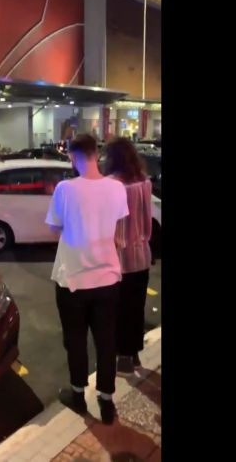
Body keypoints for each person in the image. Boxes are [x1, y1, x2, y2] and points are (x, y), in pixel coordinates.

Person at [45, 133, 128, 425]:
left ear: (72, 156)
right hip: (108, 276)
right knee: (107, 340)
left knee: (76, 340)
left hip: (73, 280)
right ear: (97, 154)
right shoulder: (117, 188)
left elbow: (54, 229)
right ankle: (106, 401)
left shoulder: (65, 189)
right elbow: (116, 229)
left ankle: (79, 395)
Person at [103, 137, 153, 374]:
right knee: (136, 307)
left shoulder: (113, 185)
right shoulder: (143, 180)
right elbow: (147, 221)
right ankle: (133, 355)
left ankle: (123, 358)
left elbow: (115, 229)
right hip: (142, 254)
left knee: (119, 310)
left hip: (119, 259)